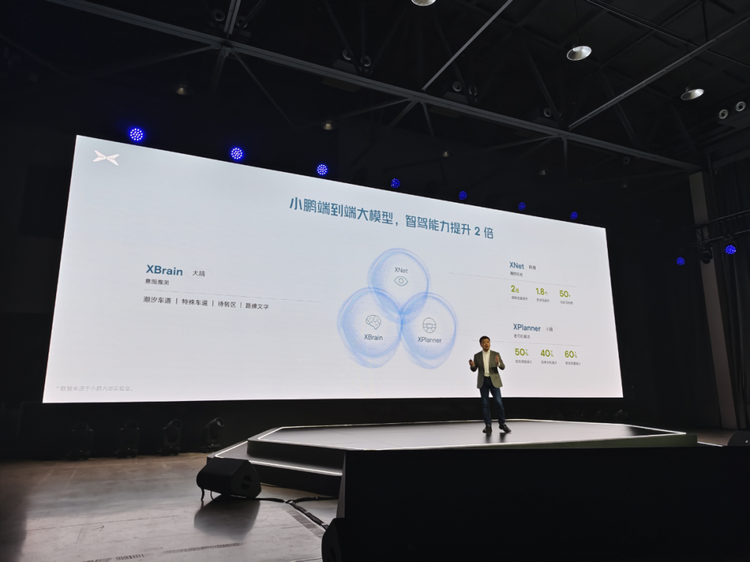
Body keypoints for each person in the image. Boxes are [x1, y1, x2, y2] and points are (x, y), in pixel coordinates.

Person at [469, 336, 511, 434]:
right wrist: (472, 366)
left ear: (490, 343)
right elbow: (474, 369)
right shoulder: (477, 356)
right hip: (483, 381)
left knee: (499, 403)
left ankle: (502, 424)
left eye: (488, 342)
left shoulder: (496, 354)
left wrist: (498, 363)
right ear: (481, 344)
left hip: (494, 381)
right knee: (485, 404)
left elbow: (503, 367)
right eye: (484, 342)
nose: (486, 344)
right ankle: (488, 426)